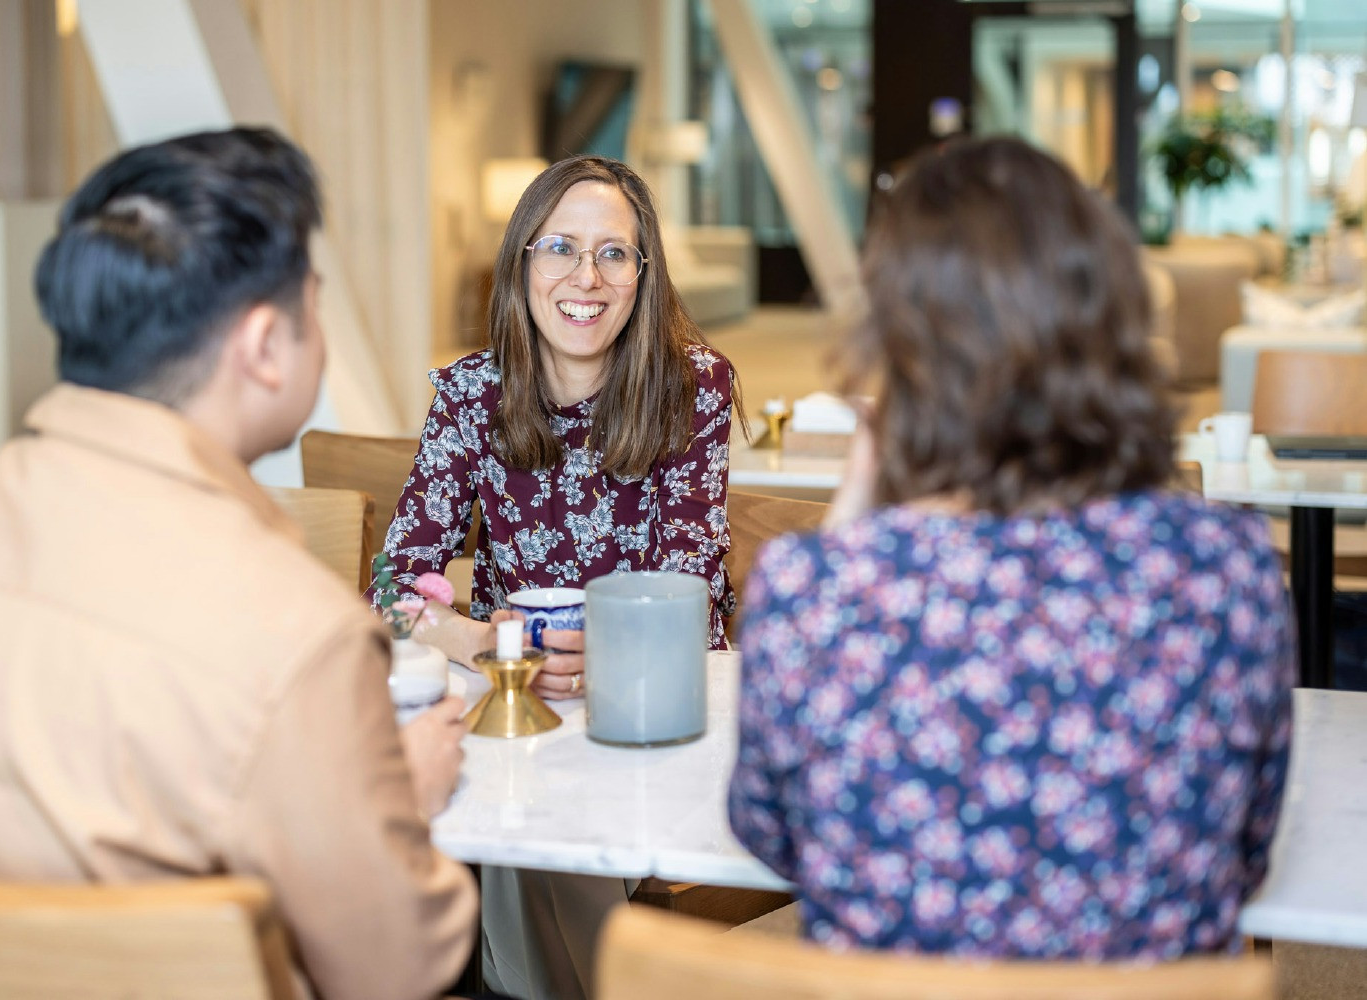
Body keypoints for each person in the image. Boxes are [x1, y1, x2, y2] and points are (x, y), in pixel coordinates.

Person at [0, 128, 477, 1000]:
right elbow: (399, 969)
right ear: (267, 344)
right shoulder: (296, 630)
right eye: (316, 301)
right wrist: (403, 802)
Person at [729, 136, 1294, 959]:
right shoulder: (1227, 571)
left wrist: (847, 527)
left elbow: (774, 841)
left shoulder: (816, 593)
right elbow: (1243, 851)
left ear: (894, 349)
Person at [371, 155, 739, 999]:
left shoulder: (694, 384)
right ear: (522, 264)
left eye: (615, 254)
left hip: (653, 707)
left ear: (644, 276)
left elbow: (689, 584)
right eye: (560, 249)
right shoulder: (474, 392)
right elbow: (394, 583)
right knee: (508, 798)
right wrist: (479, 642)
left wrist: (606, 654)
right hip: (518, 699)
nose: (587, 277)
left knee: (520, 819)